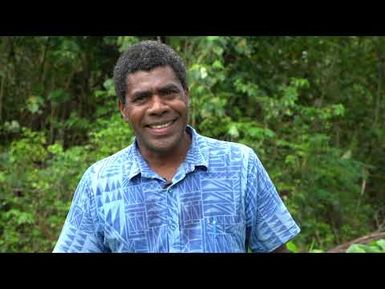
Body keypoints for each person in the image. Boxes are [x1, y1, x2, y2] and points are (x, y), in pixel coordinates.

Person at [53, 40, 300, 253]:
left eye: (169, 93)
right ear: (123, 109)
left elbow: (274, 247)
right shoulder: (98, 183)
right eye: (141, 98)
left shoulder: (240, 165)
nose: (158, 107)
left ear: (186, 95)